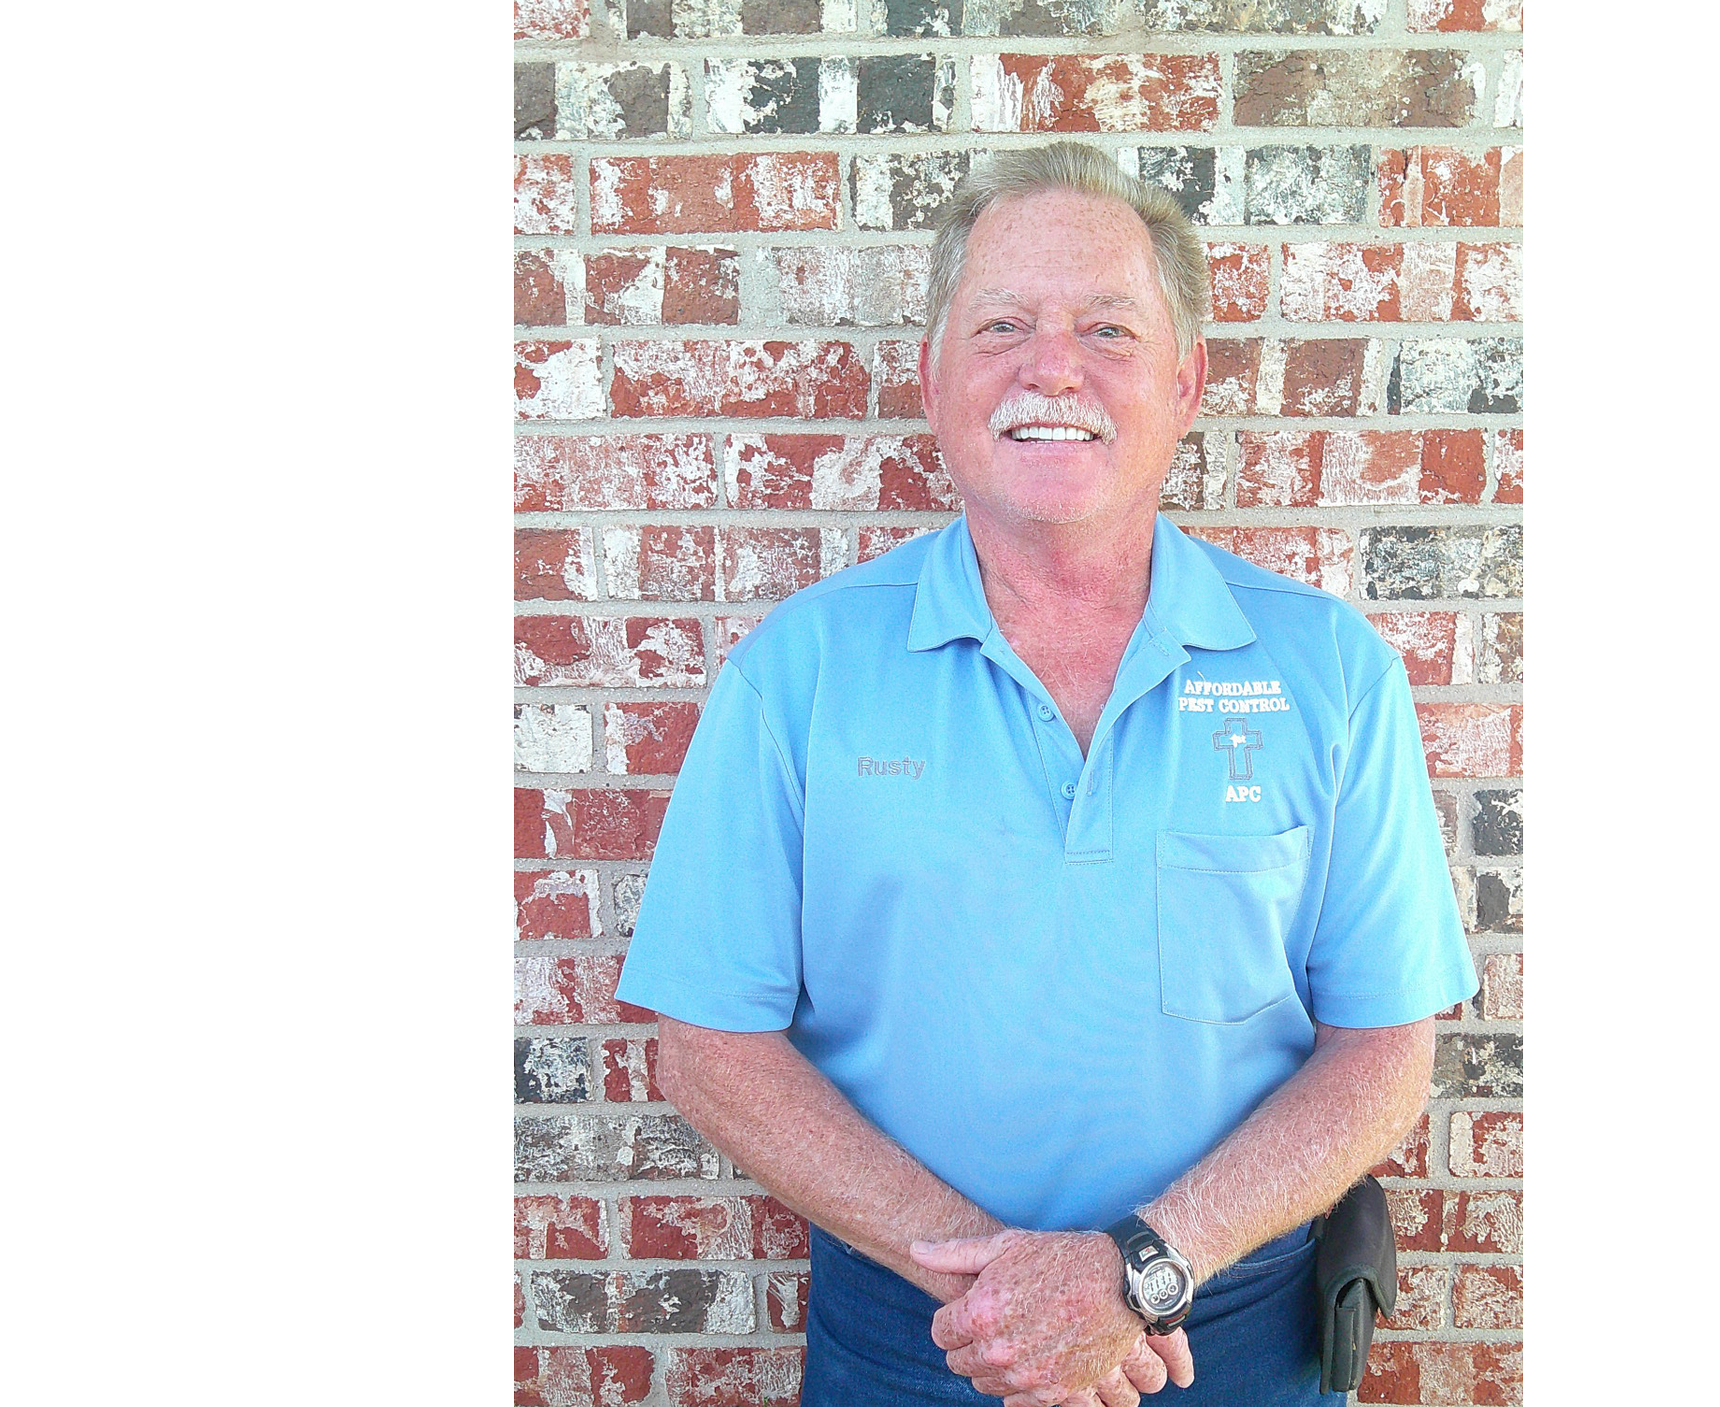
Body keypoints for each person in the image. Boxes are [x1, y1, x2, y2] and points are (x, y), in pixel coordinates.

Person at [614, 141, 1478, 1406]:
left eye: (1108, 329)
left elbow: (1385, 1048)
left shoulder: (1329, 671)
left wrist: (1134, 1271)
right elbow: (708, 1045)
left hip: (1230, 1332)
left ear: (1185, 381)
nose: (1051, 367)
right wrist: (1006, 1297)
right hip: (916, 1338)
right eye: (1002, 324)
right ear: (932, 378)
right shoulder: (798, 673)